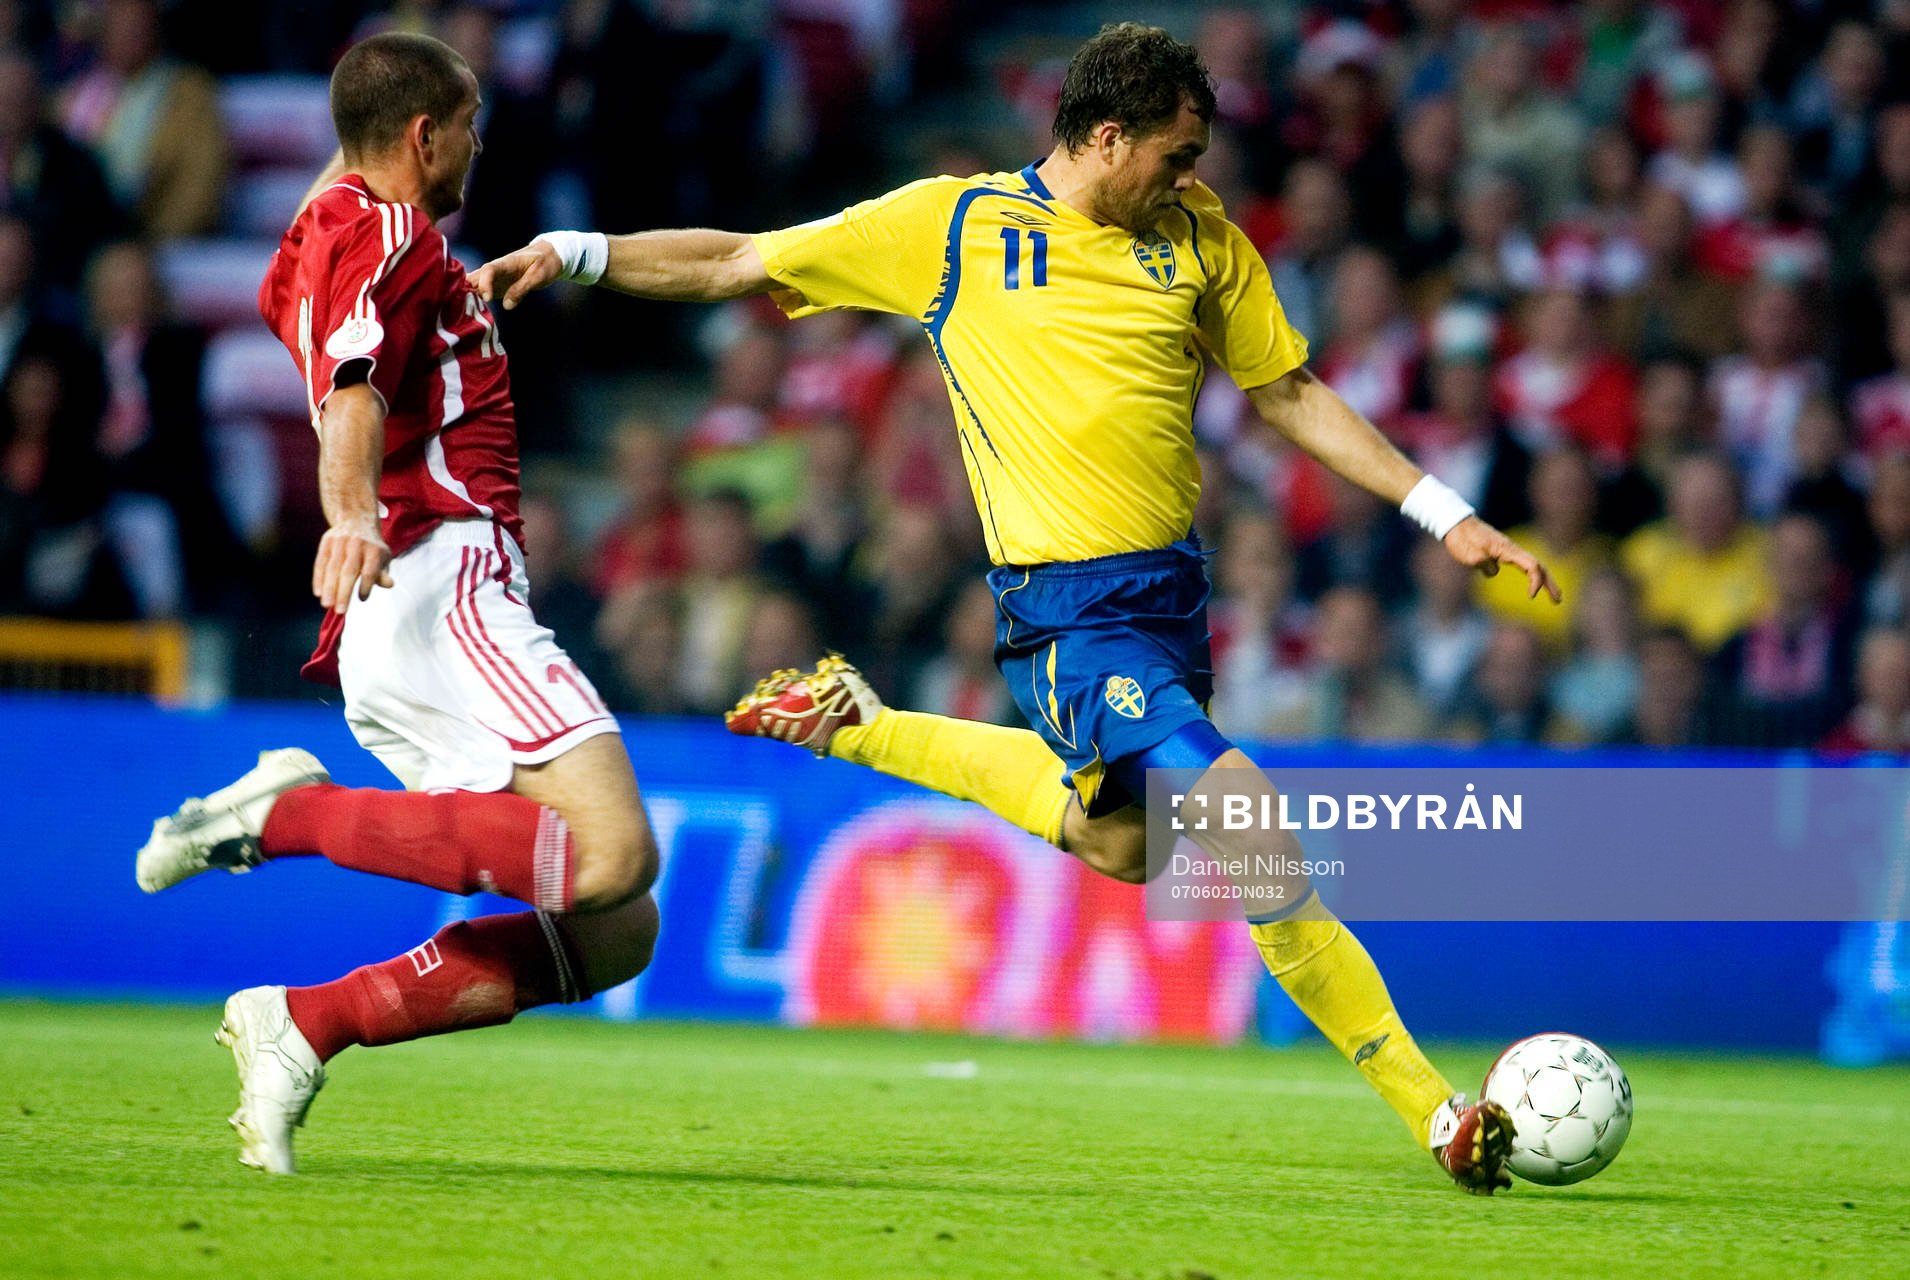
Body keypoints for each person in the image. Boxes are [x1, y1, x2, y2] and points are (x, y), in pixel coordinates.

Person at [476, 22, 1559, 1194]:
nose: (1191, 177)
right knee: (1251, 828)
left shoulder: (1198, 238)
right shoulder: (953, 228)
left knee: (1122, 845)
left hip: (1169, 602)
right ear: (1105, 137)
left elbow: (1286, 389)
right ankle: (1436, 1109)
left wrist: (1442, 511)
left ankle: (860, 723)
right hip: (1065, 612)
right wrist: (577, 251)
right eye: (1175, 152)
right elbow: (741, 257)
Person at [132, 33, 660, 1175]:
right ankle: (286, 817)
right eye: (466, 122)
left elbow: (354, 334)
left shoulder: (318, 243)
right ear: (425, 137)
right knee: (614, 855)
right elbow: (355, 388)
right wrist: (352, 512)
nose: (481, 140)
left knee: (614, 931)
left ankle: (304, 1024)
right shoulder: (389, 232)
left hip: (398, 613)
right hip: (439, 577)